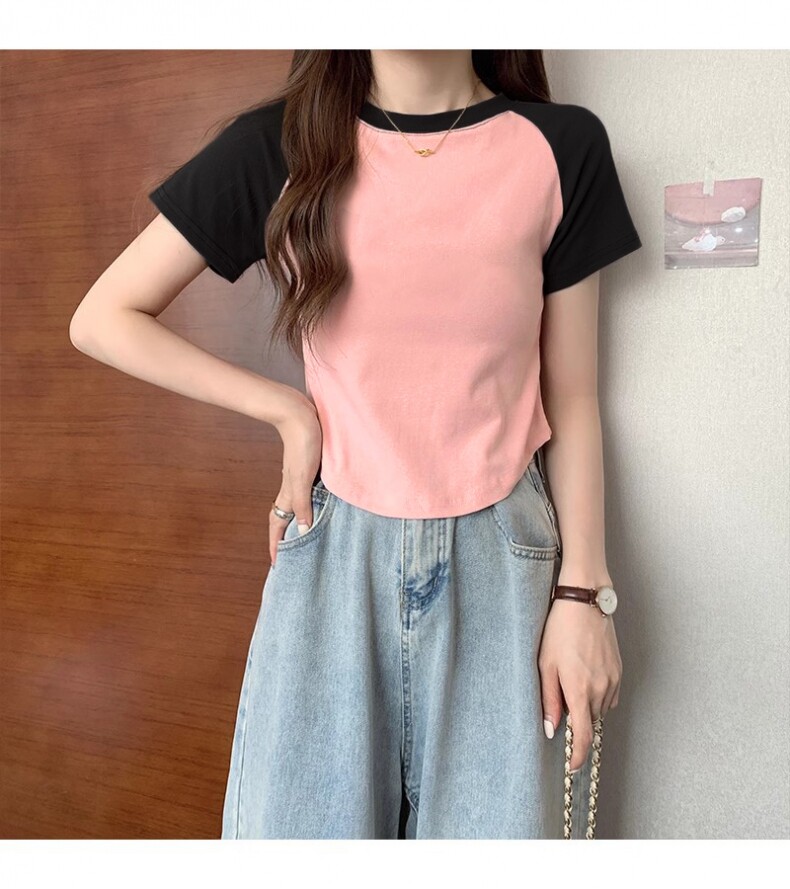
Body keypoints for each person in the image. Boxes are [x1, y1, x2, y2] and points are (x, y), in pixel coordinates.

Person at [70, 49, 642, 840]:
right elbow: (104, 317)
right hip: (334, 555)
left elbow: (572, 398)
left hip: (502, 565)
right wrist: (287, 411)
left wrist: (584, 596)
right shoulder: (282, 145)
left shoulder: (561, 146)